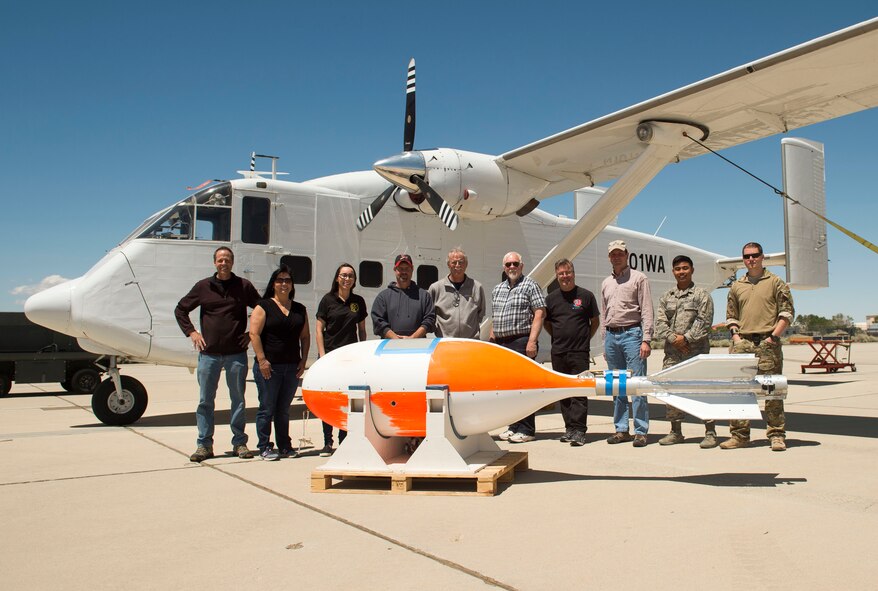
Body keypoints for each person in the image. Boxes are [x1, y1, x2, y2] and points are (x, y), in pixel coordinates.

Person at [175, 246, 260, 462]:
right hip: (209, 354)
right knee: (205, 401)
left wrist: (251, 333)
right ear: (215, 263)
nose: (224, 263)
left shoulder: (243, 286)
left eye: (228, 259)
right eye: (220, 260)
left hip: (236, 355)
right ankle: (204, 445)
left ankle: (239, 443)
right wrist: (192, 332)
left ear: (232, 263)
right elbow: (180, 309)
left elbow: (262, 309)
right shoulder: (203, 286)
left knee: (238, 400)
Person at [722, 242, 794, 451]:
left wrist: (772, 337)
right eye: (746, 256)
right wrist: (736, 337)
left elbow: (787, 312)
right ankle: (739, 435)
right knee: (739, 392)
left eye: (755, 255)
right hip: (742, 343)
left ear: (762, 257)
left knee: (772, 391)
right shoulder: (737, 286)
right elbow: (731, 315)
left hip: (767, 343)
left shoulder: (775, 282)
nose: (751, 259)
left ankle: (776, 435)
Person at [653, 255, 717, 448]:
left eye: (685, 268)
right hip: (673, 353)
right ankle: (675, 431)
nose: (681, 272)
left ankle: (710, 431)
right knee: (670, 389)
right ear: (673, 272)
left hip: (696, 352)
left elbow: (704, 322)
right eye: (678, 269)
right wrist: (675, 340)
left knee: (703, 391)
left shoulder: (701, 295)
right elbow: (660, 324)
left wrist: (686, 339)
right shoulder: (666, 297)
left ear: (692, 270)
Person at [249, 266, 309, 461]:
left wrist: (303, 359)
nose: (284, 284)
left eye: (288, 281)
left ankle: (285, 446)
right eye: (280, 280)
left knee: (283, 409)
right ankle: (264, 446)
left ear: (292, 285)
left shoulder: (300, 309)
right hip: (270, 367)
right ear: (273, 284)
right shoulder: (263, 306)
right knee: (266, 407)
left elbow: (305, 336)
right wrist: (262, 360)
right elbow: (254, 334)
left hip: (291, 366)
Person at [601, 240, 654, 447]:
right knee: (617, 386)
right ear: (609, 257)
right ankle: (621, 429)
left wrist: (646, 339)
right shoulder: (606, 282)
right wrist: (605, 342)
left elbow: (647, 309)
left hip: (632, 334)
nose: (616, 257)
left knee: (637, 385)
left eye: (620, 253)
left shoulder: (639, 278)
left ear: (627, 255)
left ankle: (641, 431)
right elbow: (604, 313)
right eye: (613, 254)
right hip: (612, 337)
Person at [491, 252, 546, 444]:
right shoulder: (497, 289)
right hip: (502, 343)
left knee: (523, 386)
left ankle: (527, 429)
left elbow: (539, 312)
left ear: (521, 266)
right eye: (508, 264)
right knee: (508, 388)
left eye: (515, 263)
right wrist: (493, 334)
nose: (511, 267)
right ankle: (513, 426)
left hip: (521, 341)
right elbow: (495, 314)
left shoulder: (530, 285)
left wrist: (532, 341)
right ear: (504, 267)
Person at [543, 258, 600, 447]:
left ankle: (579, 430)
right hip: (558, 352)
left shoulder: (586, 296)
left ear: (573, 273)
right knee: (563, 392)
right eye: (561, 274)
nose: (565, 276)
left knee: (579, 392)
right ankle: (569, 429)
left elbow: (595, 322)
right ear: (557, 276)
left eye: (567, 272)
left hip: (579, 352)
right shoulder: (551, 299)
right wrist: (559, 338)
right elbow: (547, 323)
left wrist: (584, 339)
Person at [315, 263, 368, 457]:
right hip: (331, 356)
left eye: (351, 276)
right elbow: (319, 329)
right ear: (337, 278)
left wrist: (364, 352)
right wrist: (322, 356)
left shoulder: (358, 301)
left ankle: (344, 439)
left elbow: (362, 329)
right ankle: (327, 442)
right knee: (330, 399)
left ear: (354, 280)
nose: (347, 279)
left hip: (352, 357)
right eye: (343, 275)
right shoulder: (327, 300)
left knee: (347, 400)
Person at [371, 254, 436, 339]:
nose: (404, 272)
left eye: (407, 269)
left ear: (412, 269)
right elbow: (378, 321)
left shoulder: (424, 296)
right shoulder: (383, 297)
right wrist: (395, 339)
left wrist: (412, 338)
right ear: (395, 270)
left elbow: (430, 320)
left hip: (418, 346)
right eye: (401, 269)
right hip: (390, 346)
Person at [428, 248, 486, 339]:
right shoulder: (436, 288)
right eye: (454, 262)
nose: (457, 265)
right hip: (445, 342)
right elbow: (430, 315)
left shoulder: (477, 287)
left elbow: (480, 314)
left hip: (470, 342)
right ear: (448, 265)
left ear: (466, 264)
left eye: (461, 262)